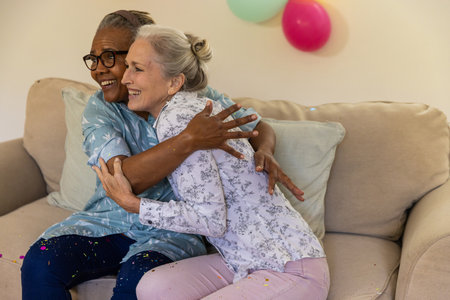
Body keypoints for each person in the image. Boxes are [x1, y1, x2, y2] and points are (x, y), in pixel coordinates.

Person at [20, 10, 304, 300]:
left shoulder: (197, 98)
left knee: (138, 284)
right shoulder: (100, 109)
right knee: (40, 263)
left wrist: (265, 151)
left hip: (171, 231)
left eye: (111, 58)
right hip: (107, 223)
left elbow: (257, 126)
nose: (98, 69)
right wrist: (189, 139)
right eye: (94, 59)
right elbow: (123, 181)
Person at [95, 24, 330, 299]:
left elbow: (210, 222)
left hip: (291, 267)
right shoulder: (192, 109)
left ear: (174, 82)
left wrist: (135, 205)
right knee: (151, 286)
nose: (125, 79)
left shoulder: (178, 119)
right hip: (243, 260)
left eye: (137, 68)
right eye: (128, 67)